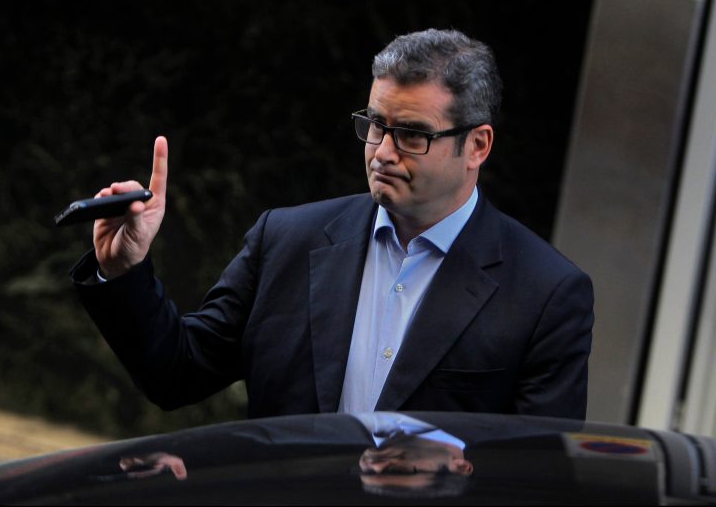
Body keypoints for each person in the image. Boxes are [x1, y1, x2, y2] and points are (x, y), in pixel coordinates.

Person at [71, 28, 594, 420]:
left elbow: (535, 476)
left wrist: (454, 474)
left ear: (476, 145)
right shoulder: (287, 240)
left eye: (412, 135)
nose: (382, 152)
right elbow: (176, 374)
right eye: (374, 125)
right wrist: (125, 270)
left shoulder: (546, 293)